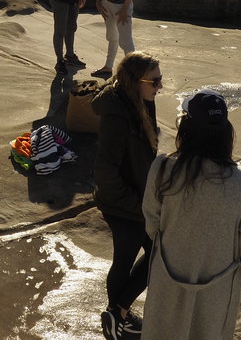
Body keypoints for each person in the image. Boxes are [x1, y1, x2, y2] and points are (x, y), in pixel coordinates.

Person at [140, 89, 241, 340]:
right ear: (226, 131)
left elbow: (152, 223)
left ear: (187, 128)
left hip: (167, 274)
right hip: (219, 285)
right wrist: (236, 279)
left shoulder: (163, 167)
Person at [91, 51, 163, 339]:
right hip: (124, 204)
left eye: (161, 80)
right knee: (149, 254)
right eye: (155, 81)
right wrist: (138, 206)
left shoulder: (141, 102)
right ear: (136, 81)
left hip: (137, 201)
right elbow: (105, 172)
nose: (160, 87)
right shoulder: (118, 117)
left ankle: (116, 314)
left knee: (140, 255)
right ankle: (117, 314)